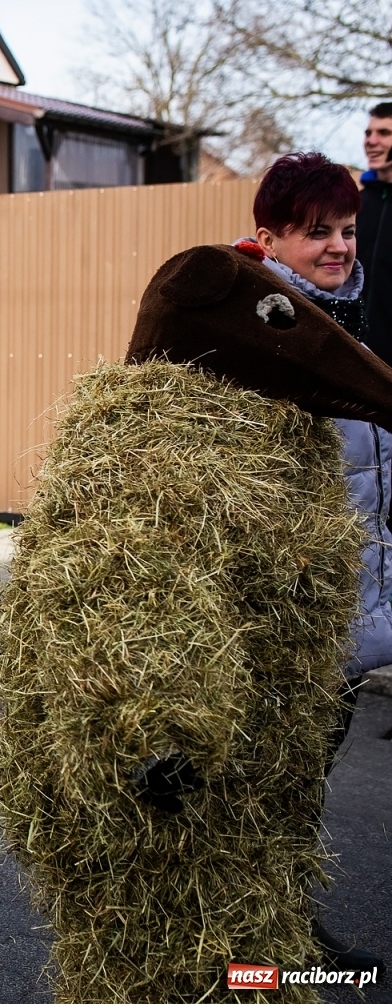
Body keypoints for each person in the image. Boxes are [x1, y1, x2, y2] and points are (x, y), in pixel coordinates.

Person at [236, 151, 385, 973]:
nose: (338, 246)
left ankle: (282, 924)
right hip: (280, 613)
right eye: (316, 231)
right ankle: (248, 947)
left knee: (304, 780)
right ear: (269, 239)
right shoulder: (257, 330)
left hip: (343, 604)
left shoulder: (350, 319)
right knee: (262, 780)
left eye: (348, 230)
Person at [360, 102, 392, 363]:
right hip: (355, 356)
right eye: (368, 133)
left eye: (384, 133)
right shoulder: (355, 206)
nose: (371, 141)